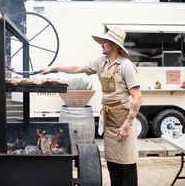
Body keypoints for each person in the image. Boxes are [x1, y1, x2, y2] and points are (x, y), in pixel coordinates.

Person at [41, 26, 142, 186]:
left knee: (127, 166)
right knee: (113, 165)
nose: (102, 43)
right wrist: (54, 68)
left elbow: (137, 98)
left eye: (105, 41)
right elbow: (77, 68)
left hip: (124, 122)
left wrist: (126, 125)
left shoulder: (126, 66)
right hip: (110, 121)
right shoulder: (100, 62)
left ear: (115, 44)